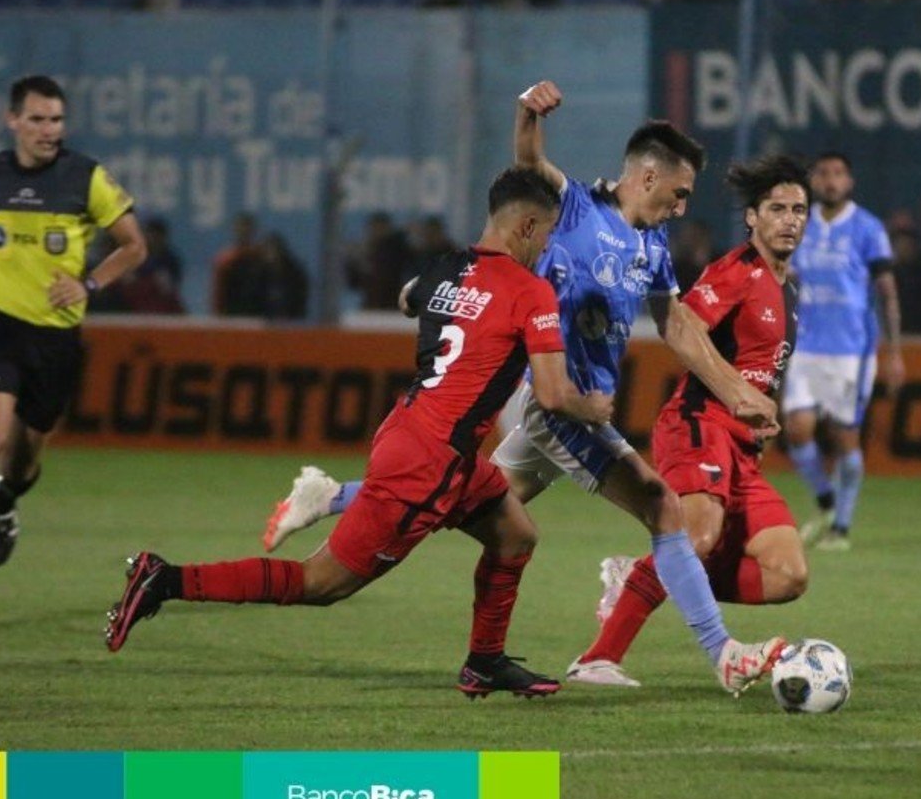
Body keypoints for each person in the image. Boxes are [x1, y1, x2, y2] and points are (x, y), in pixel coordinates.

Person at [263, 82, 786, 695]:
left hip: (570, 403)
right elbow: (530, 166)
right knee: (661, 506)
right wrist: (525, 112)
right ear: (647, 176)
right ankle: (724, 654)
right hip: (562, 399)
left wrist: (735, 393)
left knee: (469, 496)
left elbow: (675, 323)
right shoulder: (578, 208)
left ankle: (328, 496)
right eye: (679, 193)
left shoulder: (654, 244)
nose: (680, 207)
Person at [104, 168, 612, 698]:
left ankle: (485, 660)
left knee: (515, 536)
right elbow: (553, 396)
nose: (549, 244)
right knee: (319, 583)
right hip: (430, 462)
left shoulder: (445, 269)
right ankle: (164, 578)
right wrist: (592, 406)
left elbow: (407, 298)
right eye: (549, 232)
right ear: (528, 226)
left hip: (415, 433)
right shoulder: (530, 292)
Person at [569, 155, 813, 685]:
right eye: (777, 208)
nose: (790, 219)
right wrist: (736, 391)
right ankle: (598, 658)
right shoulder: (736, 271)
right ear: (752, 218)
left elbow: (762, 366)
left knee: (788, 574)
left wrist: (760, 416)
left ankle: (644, 572)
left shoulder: (789, 288)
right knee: (696, 537)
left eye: (799, 210)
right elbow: (685, 329)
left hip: (741, 447)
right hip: (698, 423)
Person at [0, 74, 146, 627]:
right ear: (12, 121)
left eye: (57, 120)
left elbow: (135, 246)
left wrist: (88, 285)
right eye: (38, 119)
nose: (49, 130)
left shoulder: (84, 178)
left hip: (55, 337)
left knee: (23, 457)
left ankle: (6, 502)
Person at [782, 152, 904, 553]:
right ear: (813, 181)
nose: (830, 180)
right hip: (807, 345)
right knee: (797, 429)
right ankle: (826, 501)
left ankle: (842, 527)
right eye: (822, 173)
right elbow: (784, 279)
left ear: (848, 182)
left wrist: (895, 352)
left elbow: (887, 292)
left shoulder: (868, 228)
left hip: (851, 348)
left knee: (844, 437)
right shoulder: (798, 225)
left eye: (837, 174)